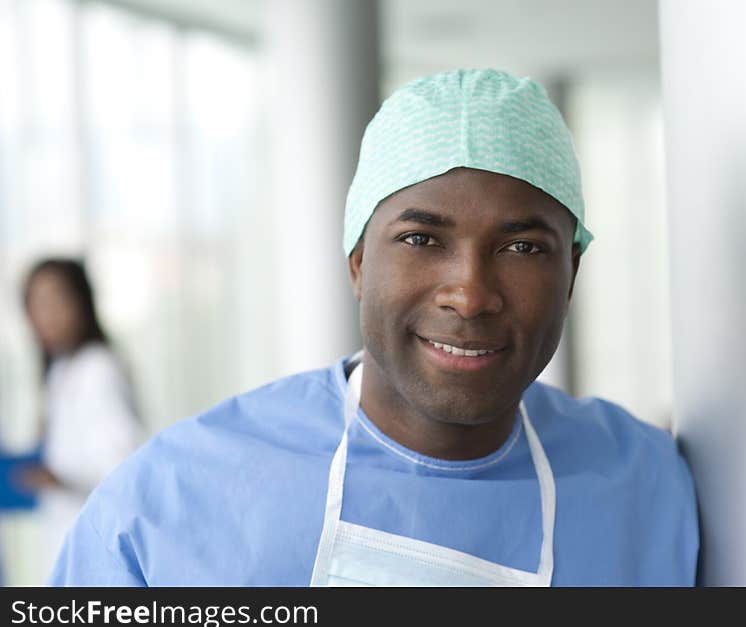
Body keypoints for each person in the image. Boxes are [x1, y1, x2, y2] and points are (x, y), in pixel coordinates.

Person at [49, 69, 698, 586]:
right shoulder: (168, 504)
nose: (470, 294)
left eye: (523, 247)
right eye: (421, 238)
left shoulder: (649, 488)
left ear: (573, 270)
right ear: (359, 262)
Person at [19, 258, 143, 580]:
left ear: (82, 301)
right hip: (65, 547)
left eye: (54, 300)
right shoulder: (61, 369)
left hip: (97, 557)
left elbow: (125, 469)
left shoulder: (99, 369)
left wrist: (59, 478)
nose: (44, 315)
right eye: (34, 303)